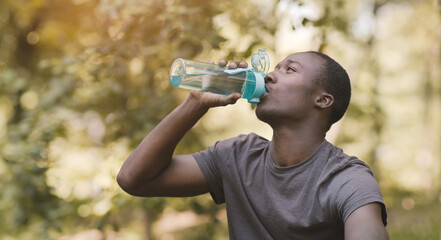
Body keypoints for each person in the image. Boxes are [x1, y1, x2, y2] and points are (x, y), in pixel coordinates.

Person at [116, 51, 389, 239]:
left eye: (290, 69)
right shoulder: (238, 156)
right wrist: (195, 103)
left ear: (323, 100)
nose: (270, 75)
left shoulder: (346, 178)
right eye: (275, 67)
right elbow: (133, 179)